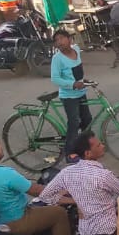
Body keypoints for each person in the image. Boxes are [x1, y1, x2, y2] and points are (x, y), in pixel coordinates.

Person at [50, 28, 90, 160]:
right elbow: (55, 78)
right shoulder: (57, 59)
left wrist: (82, 81)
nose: (59, 42)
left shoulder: (76, 50)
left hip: (81, 92)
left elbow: (78, 69)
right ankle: (69, 154)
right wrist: (72, 84)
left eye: (62, 38)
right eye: (56, 40)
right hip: (69, 96)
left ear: (69, 39)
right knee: (74, 123)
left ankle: (83, 147)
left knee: (87, 119)